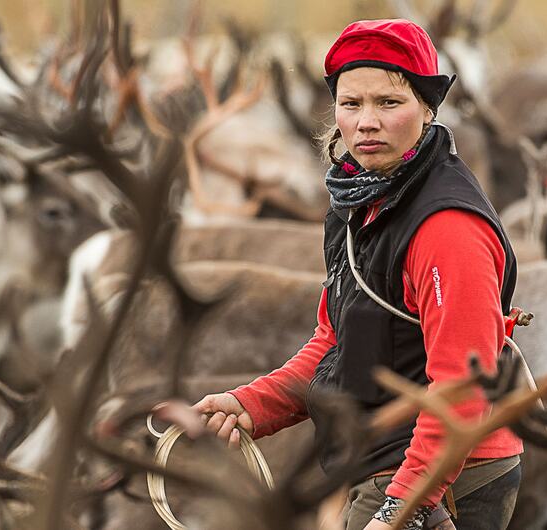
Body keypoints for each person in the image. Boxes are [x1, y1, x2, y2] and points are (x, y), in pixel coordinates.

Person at [193, 19, 523, 530]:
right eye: (351, 104)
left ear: (428, 108)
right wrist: (252, 405)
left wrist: (401, 510)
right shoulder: (361, 203)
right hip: (384, 462)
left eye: (388, 103)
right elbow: (335, 342)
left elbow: (462, 388)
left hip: (441, 475)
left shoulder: (447, 227)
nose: (366, 121)